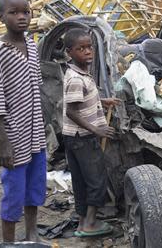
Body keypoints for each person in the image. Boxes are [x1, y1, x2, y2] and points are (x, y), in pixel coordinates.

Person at [0, 0, 47, 243]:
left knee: (35, 186)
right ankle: (9, 242)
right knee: (14, 190)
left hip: (36, 132)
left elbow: (37, 86)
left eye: (25, 11)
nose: (21, 17)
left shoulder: (33, 46)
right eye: (13, 13)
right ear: (1, 17)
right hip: (13, 135)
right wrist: (3, 141)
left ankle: (33, 234)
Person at [62, 28, 120, 237]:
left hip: (73, 138)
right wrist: (97, 129)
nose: (87, 52)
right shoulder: (76, 78)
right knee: (96, 180)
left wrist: (103, 101)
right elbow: (71, 111)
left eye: (89, 47)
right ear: (70, 52)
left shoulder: (80, 74)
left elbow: (83, 99)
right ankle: (90, 224)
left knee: (80, 180)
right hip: (82, 138)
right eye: (81, 48)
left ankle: (81, 222)